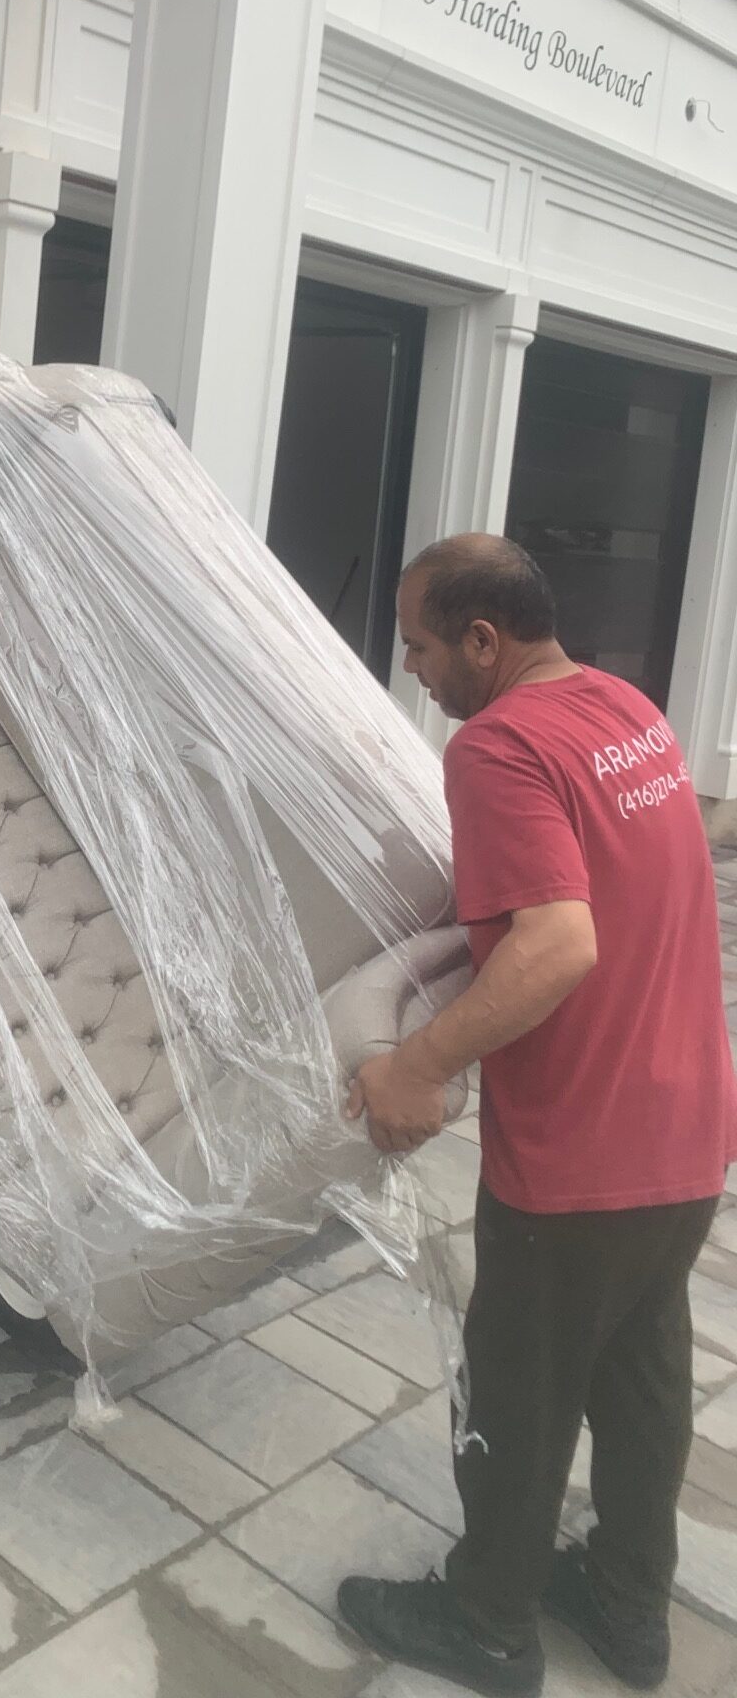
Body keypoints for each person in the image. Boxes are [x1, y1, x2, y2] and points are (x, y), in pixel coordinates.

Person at [339, 534, 737, 1698]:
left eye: (419, 645)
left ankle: (488, 1621)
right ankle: (626, 1607)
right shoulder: (626, 711)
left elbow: (560, 943)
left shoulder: (498, 746)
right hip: (686, 1125)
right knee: (641, 1379)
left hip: (581, 1148)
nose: (411, 669)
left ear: (482, 640)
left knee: (518, 1383)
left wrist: (416, 1066)